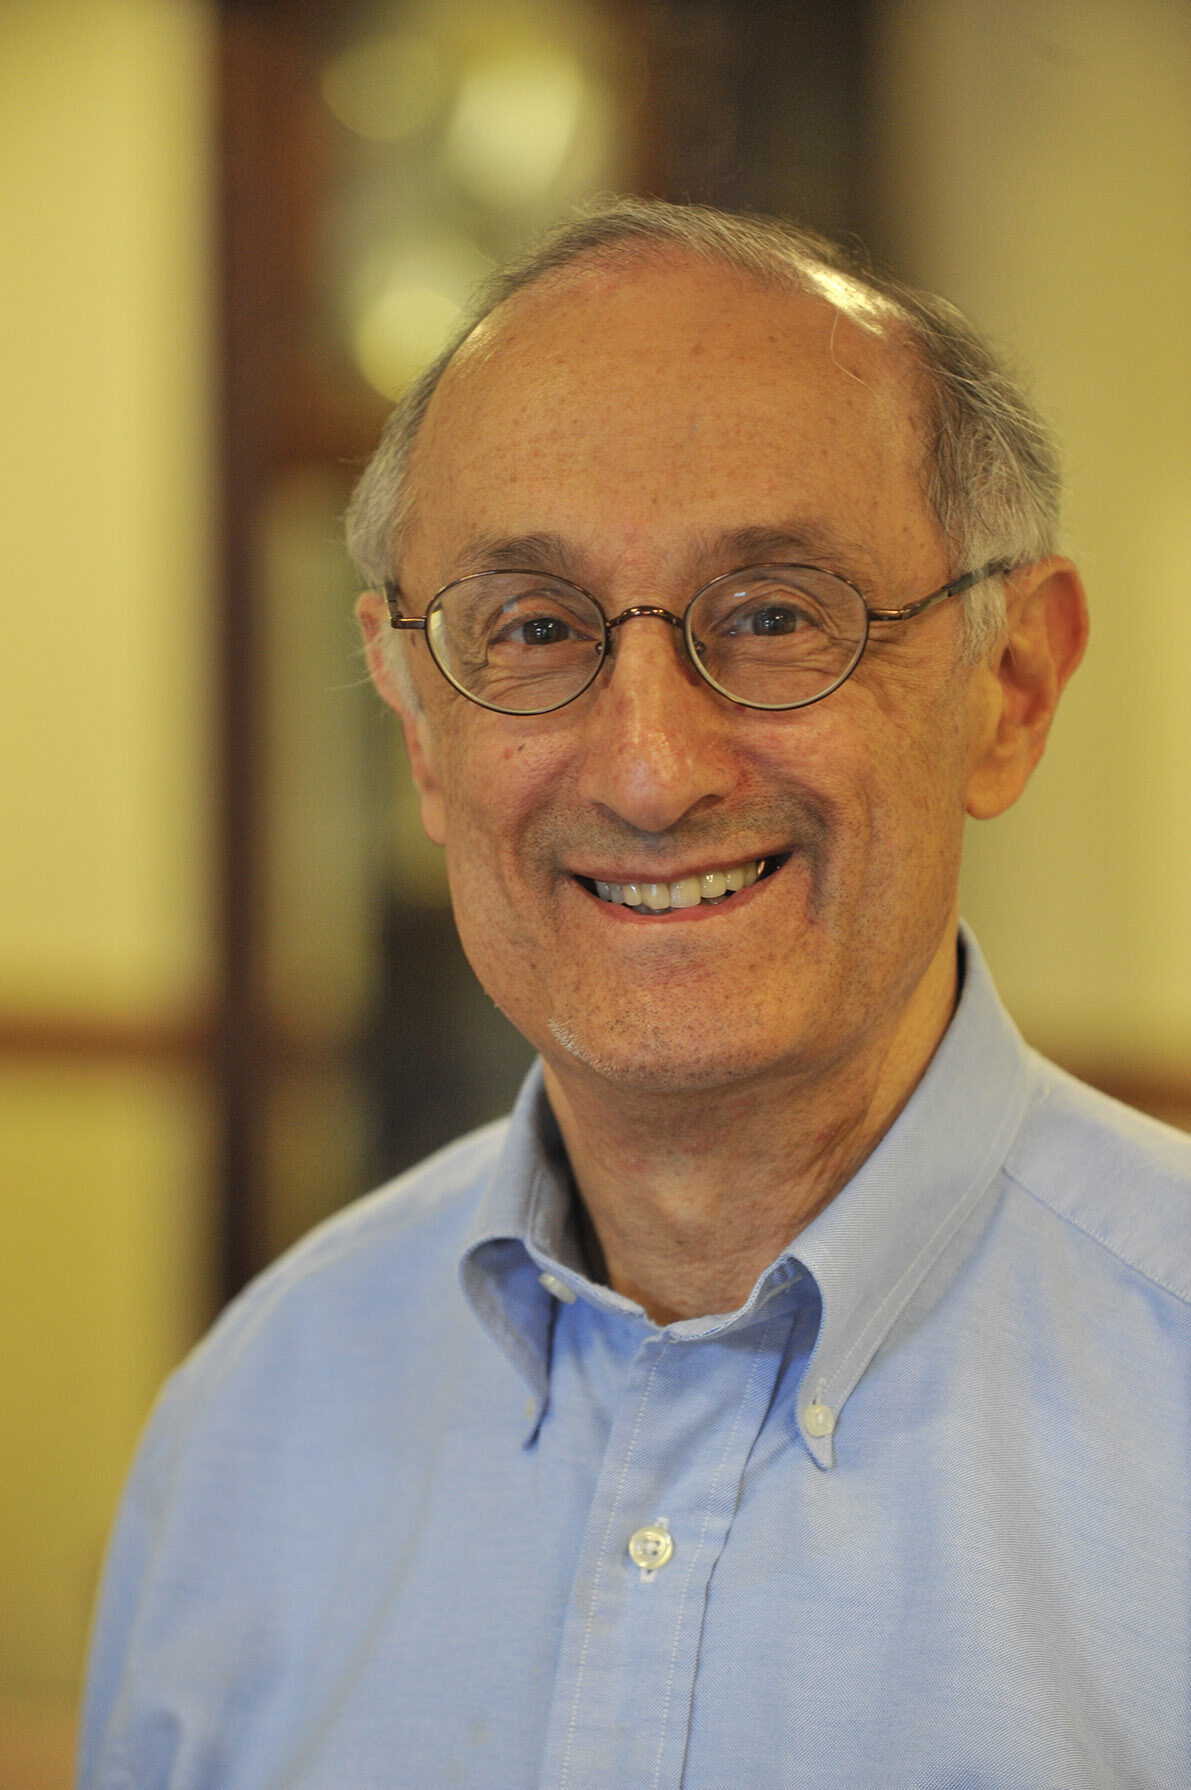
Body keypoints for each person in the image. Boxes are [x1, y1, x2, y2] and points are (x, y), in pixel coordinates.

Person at [79, 199, 1190, 1790]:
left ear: (1010, 686)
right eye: (534, 629)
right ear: (419, 728)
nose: (652, 770)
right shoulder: (253, 1420)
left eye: (776, 615)